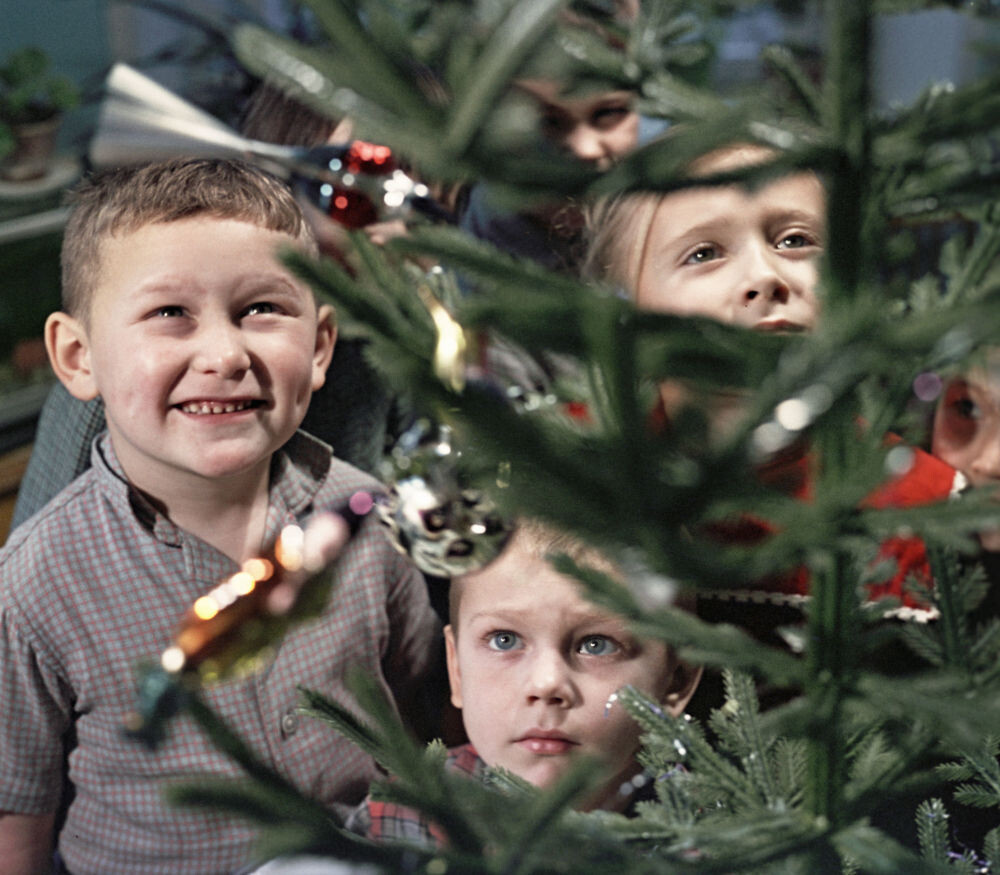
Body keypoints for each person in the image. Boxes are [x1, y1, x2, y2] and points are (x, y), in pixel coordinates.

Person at [0, 158, 440, 874]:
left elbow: (417, 709)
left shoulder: (370, 517)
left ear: (321, 346)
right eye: (171, 314)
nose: (224, 353)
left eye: (261, 309)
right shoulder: (31, 585)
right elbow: (15, 818)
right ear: (78, 357)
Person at [10, 84, 405, 532]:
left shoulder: (397, 338)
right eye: (361, 183)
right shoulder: (128, 377)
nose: (400, 223)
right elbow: (44, 530)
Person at [348, 519, 702, 845]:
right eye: (505, 639)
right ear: (457, 670)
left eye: (596, 645)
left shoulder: (722, 836)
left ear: (675, 684)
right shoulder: (402, 815)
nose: (546, 684)